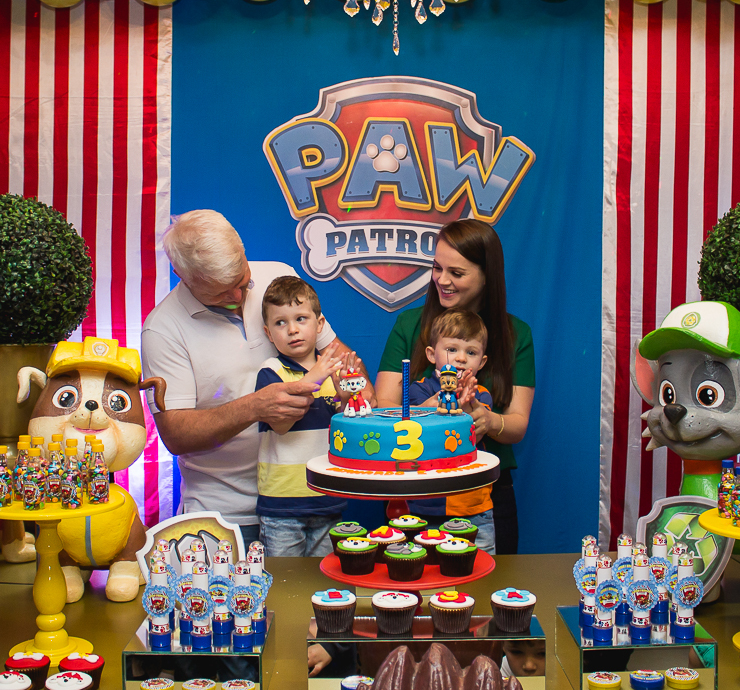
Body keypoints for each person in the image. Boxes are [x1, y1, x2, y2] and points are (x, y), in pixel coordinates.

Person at [141, 210, 369, 546]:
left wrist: (358, 391)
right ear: (181, 275)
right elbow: (176, 435)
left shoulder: (278, 278)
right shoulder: (162, 329)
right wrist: (255, 407)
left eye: (242, 281)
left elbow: (338, 357)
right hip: (225, 516)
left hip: (313, 496)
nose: (237, 298)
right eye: (220, 292)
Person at [376, 219, 534, 554]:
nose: (442, 280)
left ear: (487, 274)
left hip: (484, 494)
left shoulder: (515, 334)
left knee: (487, 596)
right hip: (417, 491)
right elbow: (384, 410)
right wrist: (432, 409)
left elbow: (517, 423)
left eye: (457, 273)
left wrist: (486, 421)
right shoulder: (409, 324)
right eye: (437, 268)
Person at [254, 276, 355, 556]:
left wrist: (346, 396)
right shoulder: (272, 372)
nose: (292, 330)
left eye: (301, 318)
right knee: (286, 586)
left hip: (328, 498)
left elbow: (346, 424)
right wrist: (317, 376)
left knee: (324, 583)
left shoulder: (332, 372)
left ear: (319, 324)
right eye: (280, 323)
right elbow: (282, 424)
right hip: (282, 504)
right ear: (268, 332)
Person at [404, 309, 496, 551]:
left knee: (478, 572)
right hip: (424, 504)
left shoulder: (482, 394)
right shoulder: (419, 390)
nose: (461, 358)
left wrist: (466, 404)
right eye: (452, 349)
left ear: (482, 361)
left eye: (471, 352)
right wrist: (435, 403)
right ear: (432, 355)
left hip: (472, 505)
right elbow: (412, 427)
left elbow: (474, 432)